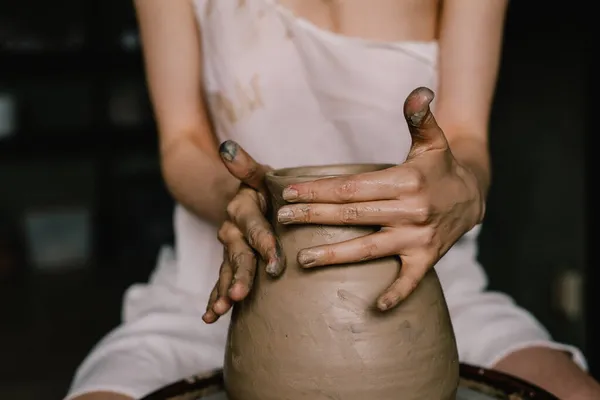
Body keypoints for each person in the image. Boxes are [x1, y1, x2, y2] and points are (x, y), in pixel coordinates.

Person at [65, 0, 600, 399]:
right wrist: (237, 197)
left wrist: (463, 187)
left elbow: (465, 137)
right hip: (218, 290)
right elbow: (182, 142)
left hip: (427, 284)